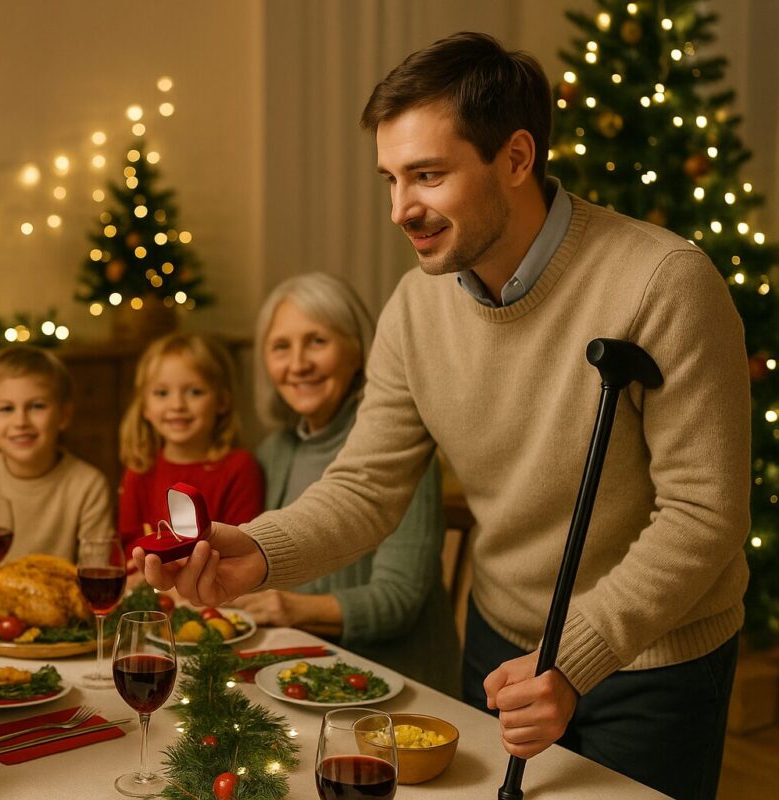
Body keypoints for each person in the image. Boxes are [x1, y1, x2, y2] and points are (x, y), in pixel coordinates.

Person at [137, 32, 749, 800]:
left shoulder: (664, 282)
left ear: (517, 157)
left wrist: (576, 654)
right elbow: (365, 488)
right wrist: (255, 552)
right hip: (501, 642)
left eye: (427, 175)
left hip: (654, 660)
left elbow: (704, 514)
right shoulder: (415, 307)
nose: (401, 210)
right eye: (390, 180)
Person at [236, 272, 460, 695]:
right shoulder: (274, 451)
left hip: (398, 689)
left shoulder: (398, 449)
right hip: (302, 678)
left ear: (358, 351)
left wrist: (290, 607)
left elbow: (398, 600)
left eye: (317, 341)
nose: (298, 364)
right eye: (281, 347)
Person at [0, 344, 113, 566]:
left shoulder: (89, 486)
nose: (21, 422)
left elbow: (95, 569)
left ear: (64, 415)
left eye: (37, 406)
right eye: (6, 409)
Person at [118, 332, 263, 554]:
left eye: (195, 392)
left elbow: (241, 548)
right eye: (162, 393)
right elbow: (127, 546)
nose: (177, 405)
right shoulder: (140, 468)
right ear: (145, 407)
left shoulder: (239, 468)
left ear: (222, 401)